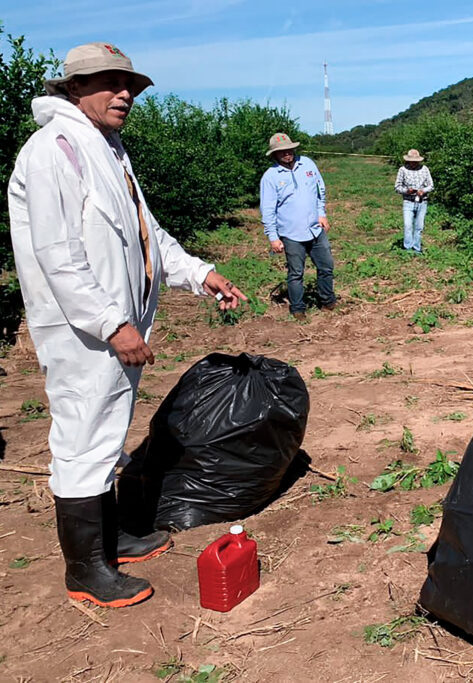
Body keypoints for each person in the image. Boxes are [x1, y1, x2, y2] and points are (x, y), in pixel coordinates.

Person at [7, 42, 246, 608]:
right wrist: (112, 323)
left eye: (130, 87)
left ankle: (112, 540)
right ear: (72, 89)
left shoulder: (107, 150)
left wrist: (200, 274)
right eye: (109, 83)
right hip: (82, 333)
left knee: (107, 434)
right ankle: (86, 569)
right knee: (82, 439)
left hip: (114, 331)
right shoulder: (53, 151)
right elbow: (58, 255)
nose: (124, 96)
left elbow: (148, 233)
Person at [260, 133, 335, 319]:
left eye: (289, 149)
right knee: (296, 273)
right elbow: (268, 209)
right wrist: (273, 237)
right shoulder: (270, 177)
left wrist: (322, 213)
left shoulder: (307, 164)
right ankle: (298, 309)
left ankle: (328, 301)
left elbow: (319, 190)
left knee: (326, 266)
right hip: (291, 233)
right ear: (275, 155)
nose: (287, 153)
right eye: (281, 152)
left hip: (315, 228)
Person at [394, 149, 433, 253]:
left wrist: (423, 191)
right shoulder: (402, 170)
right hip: (408, 201)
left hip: (422, 201)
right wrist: (407, 191)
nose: (414, 163)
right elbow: (397, 186)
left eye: (416, 161)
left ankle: (417, 248)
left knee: (419, 226)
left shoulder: (424, 169)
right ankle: (408, 248)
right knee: (408, 225)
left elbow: (431, 185)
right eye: (412, 161)